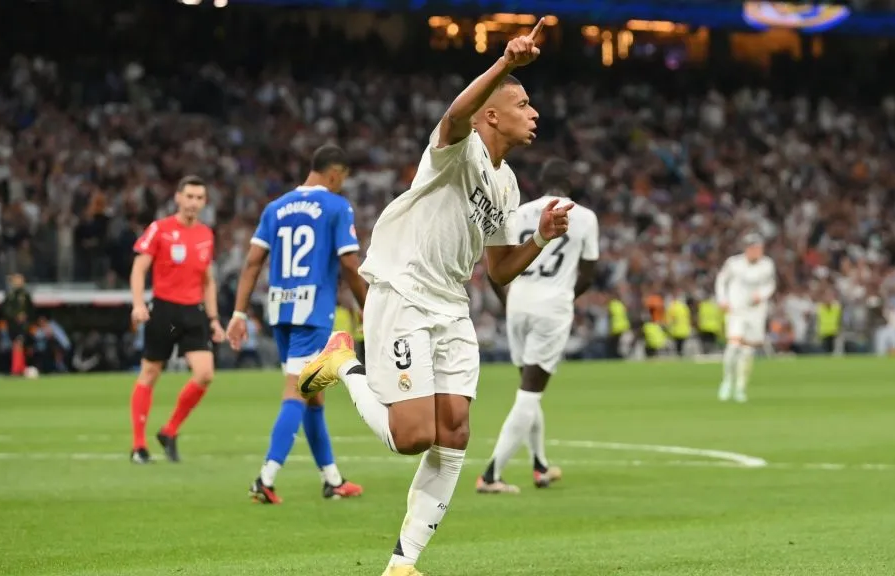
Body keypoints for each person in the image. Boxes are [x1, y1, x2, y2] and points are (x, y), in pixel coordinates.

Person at [296, 19, 573, 576]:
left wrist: (539, 236)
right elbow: (453, 116)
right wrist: (504, 65)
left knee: (455, 433)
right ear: (492, 114)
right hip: (403, 290)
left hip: (451, 306)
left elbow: (499, 271)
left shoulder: (509, 184)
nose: (535, 113)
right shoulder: (457, 147)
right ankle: (343, 362)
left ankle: (403, 563)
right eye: (523, 102)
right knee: (412, 437)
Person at [226, 145, 367, 504]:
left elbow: (253, 262)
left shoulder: (276, 208)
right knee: (297, 392)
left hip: (281, 311)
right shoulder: (336, 206)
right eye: (342, 180)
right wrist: (368, 305)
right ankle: (265, 479)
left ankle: (332, 480)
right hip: (313, 313)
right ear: (335, 174)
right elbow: (350, 264)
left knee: (313, 396)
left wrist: (239, 314)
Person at [475, 157, 598, 494]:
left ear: (541, 182)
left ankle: (540, 465)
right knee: (530, 393)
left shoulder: (521, 212)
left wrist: (509, 303)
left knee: (527, 389)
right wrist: (562, 298)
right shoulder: (584, 217)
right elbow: (587, 274)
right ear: (569, 185)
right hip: (552, 306)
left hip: (518, 302)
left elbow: (494, 267)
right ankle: (491, 474)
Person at [128, 175, 225, 464]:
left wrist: (214, 319)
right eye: (190, 196)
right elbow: (138, 268)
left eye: (199, 198)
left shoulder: (206, 234)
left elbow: (208, 281)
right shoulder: (159, 229)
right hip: (165, 310)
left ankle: (169, 431)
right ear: (178, 198)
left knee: (205, 374)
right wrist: (137, 304)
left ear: (204, 202)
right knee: (150, 373)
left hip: (193, 312)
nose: (194, 202)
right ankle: (138, 446)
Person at [714, 233, 776, 403]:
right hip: (737, 310)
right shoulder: (734, 264)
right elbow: (721, 280)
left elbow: (770, 285)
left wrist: (762, 295)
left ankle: (741, 387)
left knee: (747, 351)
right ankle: (727, 380)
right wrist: (722, 299)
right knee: (733, 345)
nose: (757, 251)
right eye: (753, 248)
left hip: (756, 313)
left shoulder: (767, 265)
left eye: (759, 248)